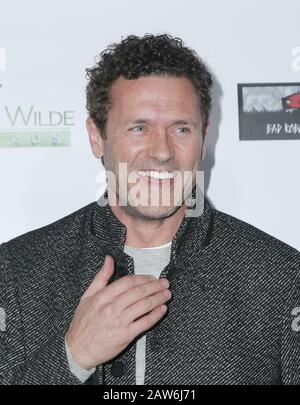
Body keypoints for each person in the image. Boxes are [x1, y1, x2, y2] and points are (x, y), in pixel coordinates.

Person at [0, 33, 299, 385]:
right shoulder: (15, 273)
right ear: (97, 136)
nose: (161, 151)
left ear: (204, 139)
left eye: (181, 129)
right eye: (139, 128)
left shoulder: (282, 278)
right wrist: (71, 357)